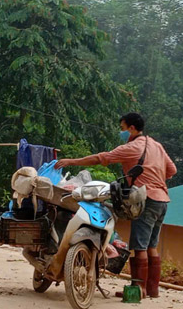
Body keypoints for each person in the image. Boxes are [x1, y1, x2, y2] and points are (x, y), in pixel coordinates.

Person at [56, 112, 176, 298]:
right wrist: (156, 178)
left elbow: (101, 158)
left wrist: (71, 161)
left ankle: (139, 290)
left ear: (132, 128)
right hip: (163, 200)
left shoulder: (133, 147)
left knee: (140, 247)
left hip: (145, 200)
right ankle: (153, 289)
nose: (121, 132)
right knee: (152, 246)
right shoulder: (156, 145)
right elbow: (172, 170)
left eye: (122, 128)